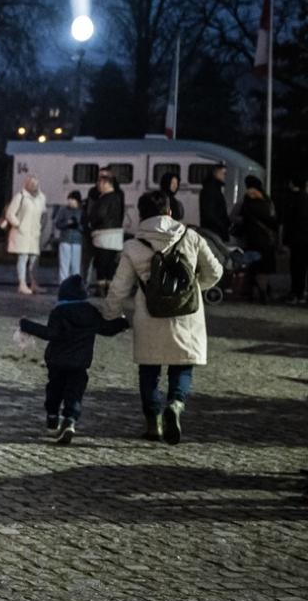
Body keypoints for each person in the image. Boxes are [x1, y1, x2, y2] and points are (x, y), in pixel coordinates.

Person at [102, 190, 223, 444]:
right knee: (181, 365)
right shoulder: (191, 236)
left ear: (141, 214)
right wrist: (194, 289)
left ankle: (153, 423)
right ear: (169, 211)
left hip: (150, 316)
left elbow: (119, 287)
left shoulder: (134, 246)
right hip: (186, 315)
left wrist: (111, 315)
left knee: (149, 372)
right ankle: (176, 404)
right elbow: (215, 271)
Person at [18, 274, 128, 444]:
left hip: (57, 363)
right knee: (74, 394)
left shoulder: (59, 312)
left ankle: (52, 418)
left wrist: (26, 325)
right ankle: (70, 421)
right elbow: (106, 329)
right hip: (79, 364)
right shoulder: (90, 312)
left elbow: (50, 333)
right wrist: (124, 323)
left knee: (54, 391)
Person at [233, 174, 278, 303]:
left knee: (253, 266)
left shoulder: (246, 201)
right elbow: (273, 219)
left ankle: (254, 293)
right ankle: (264, 292)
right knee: (263, 268)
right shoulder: (267, 201)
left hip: (252, 239)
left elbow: (235, 217)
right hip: (266, 240)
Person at [0, 175, 47, 294]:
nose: (34, 186)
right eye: (31, 183)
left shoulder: (41, 198)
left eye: (36, 184)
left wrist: (41, 226)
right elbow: (10, 213)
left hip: (34, 233)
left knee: (34, 259)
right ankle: (22, 283)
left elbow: (43, 214)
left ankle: (34, 283)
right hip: (22, 233)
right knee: (23, 258)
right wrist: (19, 224)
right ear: (27, 184)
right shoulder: (20, 196)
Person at [84, 170, 125, 294]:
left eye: (100, 183)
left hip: (103, 236)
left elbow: (100, 214)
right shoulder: (118, 197)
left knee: (101, 265)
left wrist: (92, 222)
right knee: (111, 266)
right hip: (116, 236)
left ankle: (101, 289)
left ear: (106, 183)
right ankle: (110, 290)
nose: (98, 186)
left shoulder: (105, 198)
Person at [282, 174, 308, 305]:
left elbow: (289, 221)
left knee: (296, 266)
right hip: (304, 237)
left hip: (297, 238)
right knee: (301, 267)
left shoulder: (293, 200)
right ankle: (300, 292)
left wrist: (285, 240)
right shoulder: (305, 198)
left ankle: (296, 292)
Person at [54, 190, 84, 282]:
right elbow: (58, 224)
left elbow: (84, 227)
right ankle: (63, 283)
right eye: (69, 199)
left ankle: (75, 284)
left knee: (76, 265)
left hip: (77, 240)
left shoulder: (82, 211)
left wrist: (77, 224)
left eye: (72, 199)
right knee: (64, 264)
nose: (70, 202)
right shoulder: (63, 210)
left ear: (77, 201)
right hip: (65, 239)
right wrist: (67, 223)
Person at [198, 164, 229, 240]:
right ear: (215, 173)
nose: (224, 176)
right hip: (213, 232)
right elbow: (209, 213)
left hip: (214, 230)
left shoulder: (213, 188)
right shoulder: (211, 190)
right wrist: (222, 225)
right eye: (223, 173)